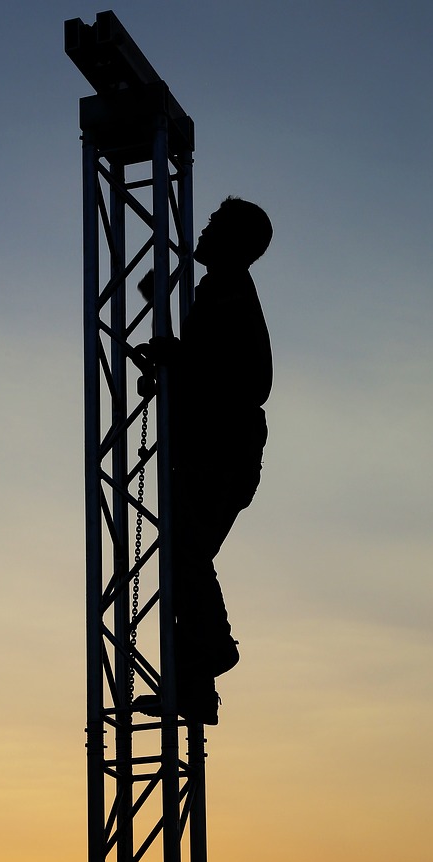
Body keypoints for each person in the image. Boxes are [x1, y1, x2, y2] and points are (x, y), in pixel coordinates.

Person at [137, 197, 274, 725]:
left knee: (182, 556)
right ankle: (194, 690)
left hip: (222, 452)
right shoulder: (219, 294)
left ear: (235, 241)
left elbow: (247, 381)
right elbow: (209, 367)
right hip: (219, 448)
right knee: (182, 559)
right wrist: (174, 368)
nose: (205, 229)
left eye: (216, 224)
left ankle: (212, 654)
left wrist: (180, 361)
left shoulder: (230, 292)